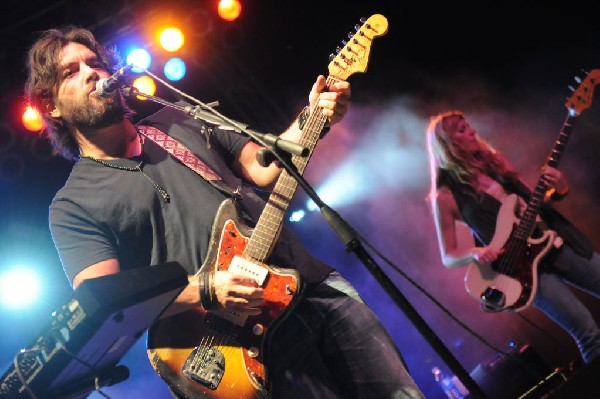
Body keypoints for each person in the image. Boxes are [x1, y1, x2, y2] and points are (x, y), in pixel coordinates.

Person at [24, 26, 425, 399]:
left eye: (95, 63)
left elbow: (264, 165)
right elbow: (106, 300)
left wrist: (314, 117)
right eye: (71, 72)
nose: (92, 73)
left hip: (312, 286)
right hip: (233, 344)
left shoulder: (176, 118)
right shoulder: (73, 204)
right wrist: (207, 289)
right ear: (50, 104)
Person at [426, 110, 600, 365]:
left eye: (469, 125)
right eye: (462, 130)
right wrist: (475, 252)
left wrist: (559, 190)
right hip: (524, 269)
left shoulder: (495, 162)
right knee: (588, 332)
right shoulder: (446, 197)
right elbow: (448, 256)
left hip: (555, 244)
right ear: (448, 145)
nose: (472, 131)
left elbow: (534, 205)